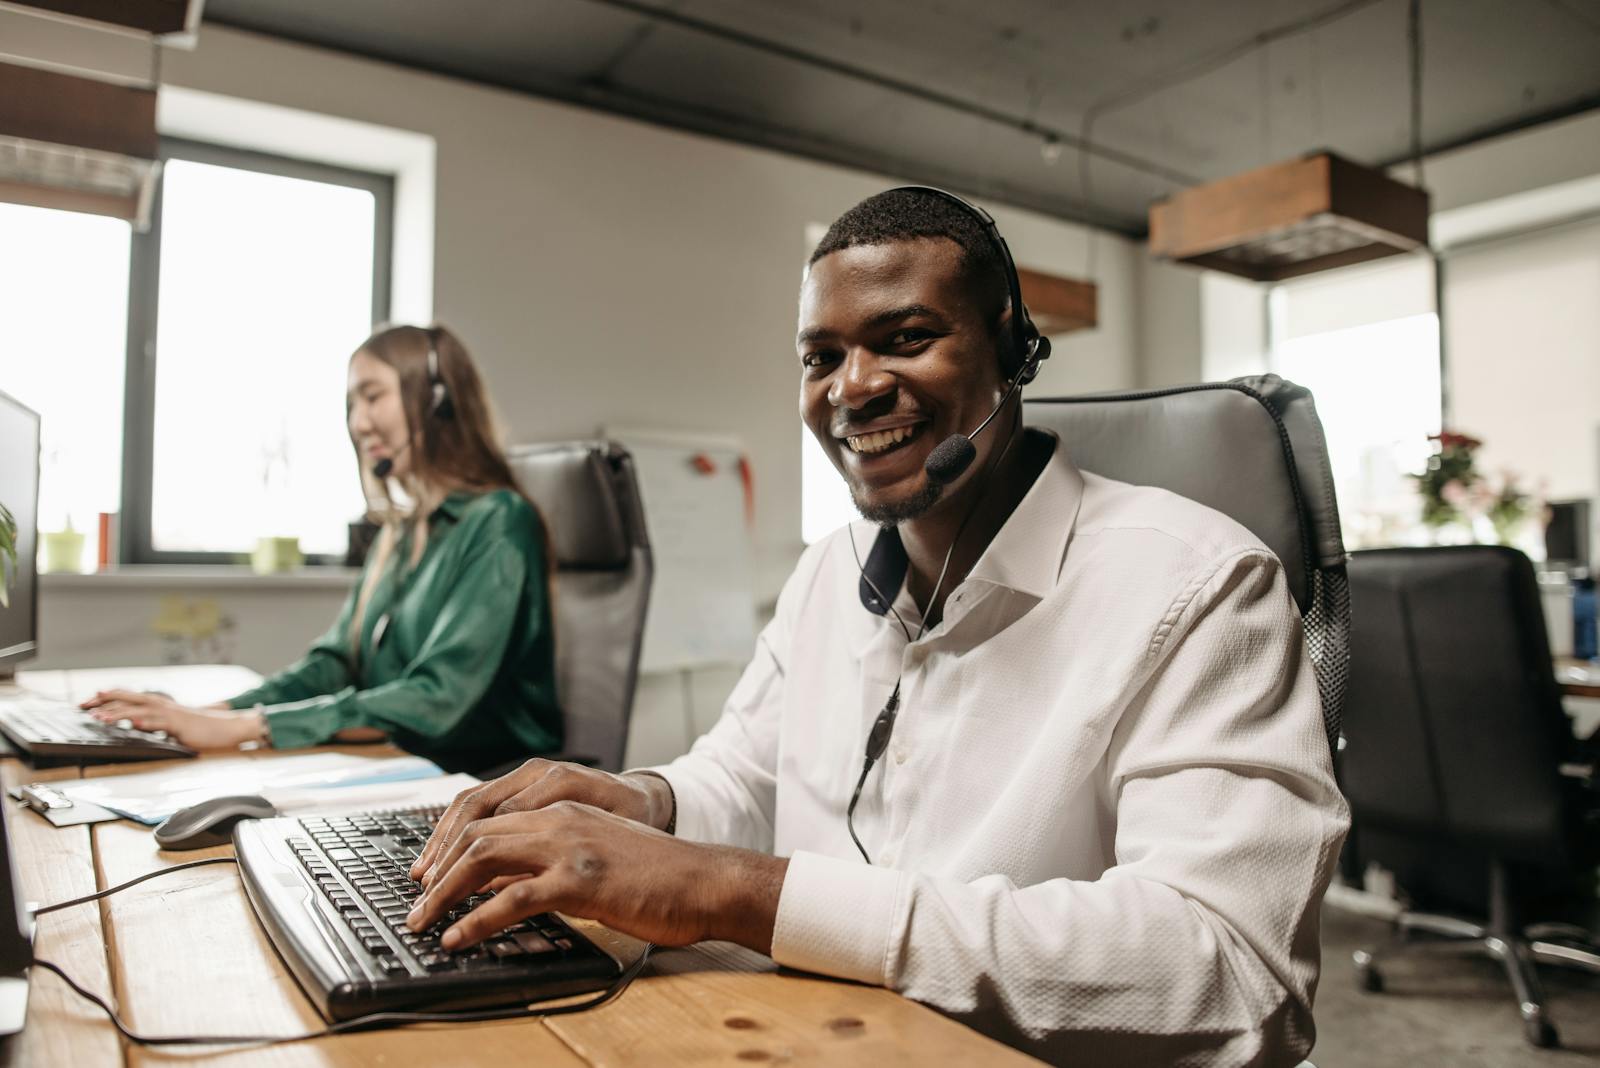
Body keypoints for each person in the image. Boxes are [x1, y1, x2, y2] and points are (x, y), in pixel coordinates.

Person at [403, 190, 1349, 1065]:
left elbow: (1233, 967)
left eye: (904, 338)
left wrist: (737, 891)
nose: (853, 388)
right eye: (821, 357)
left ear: (1012, 344)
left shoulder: (1198, 584)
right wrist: (643, 803)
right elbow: (745, 774)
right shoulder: (829, 569)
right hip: (811, 1034)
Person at [85, 325, 562, 776]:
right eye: (351, 404)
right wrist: (206, 714)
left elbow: (436, 697)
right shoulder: (401, 531)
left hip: (475, 782)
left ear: (436, 400)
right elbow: (333, 665)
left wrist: (250, 727)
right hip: (396, 761)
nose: (358, 422)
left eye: (373, 396)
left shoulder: (499, 520)